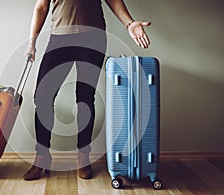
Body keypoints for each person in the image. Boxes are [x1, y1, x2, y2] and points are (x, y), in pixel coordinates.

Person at [24, 0, 151, 181]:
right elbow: (41, 7)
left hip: (93, 38)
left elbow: (113, 1)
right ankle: (42, 156)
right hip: (60, 38)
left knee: (85, 98)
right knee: (43, 96)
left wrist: (129, 23)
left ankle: (83, 157)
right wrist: (32, 43)